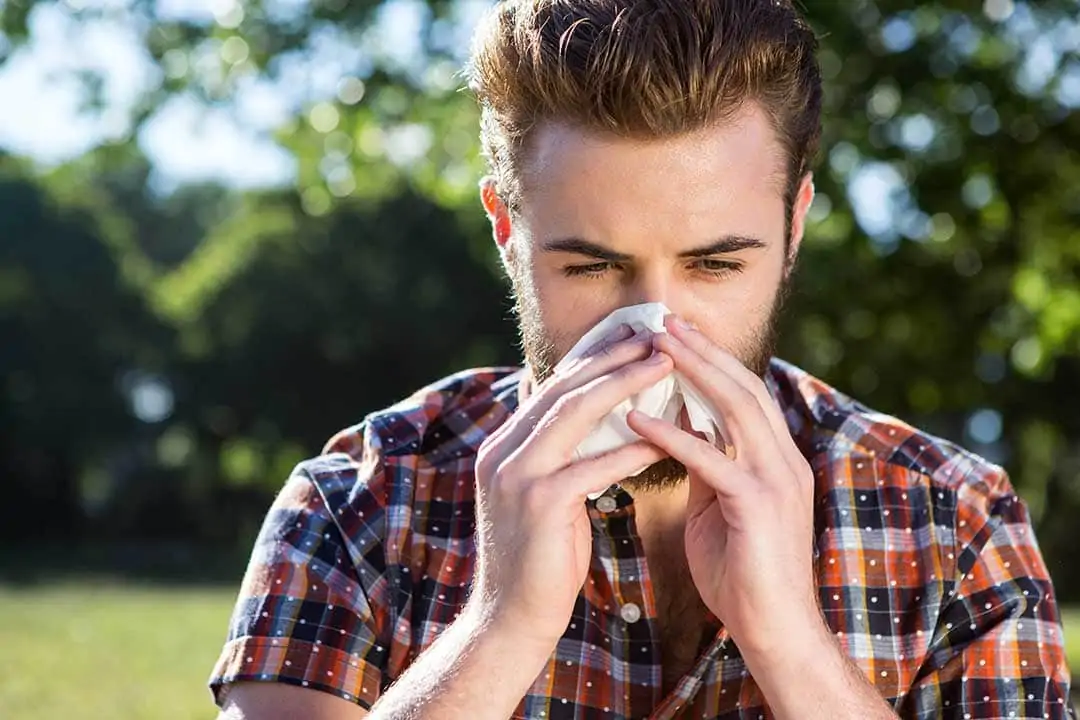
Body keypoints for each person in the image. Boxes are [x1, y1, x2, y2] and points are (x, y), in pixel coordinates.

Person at [208, 0, 1074, 718]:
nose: (655, 329)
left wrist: (790, 643)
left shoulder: (957, 525)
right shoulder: (355, 505)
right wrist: (500, 630)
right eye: (591, 265)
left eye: (718, 263)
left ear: (795, 226)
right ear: (508, 233)